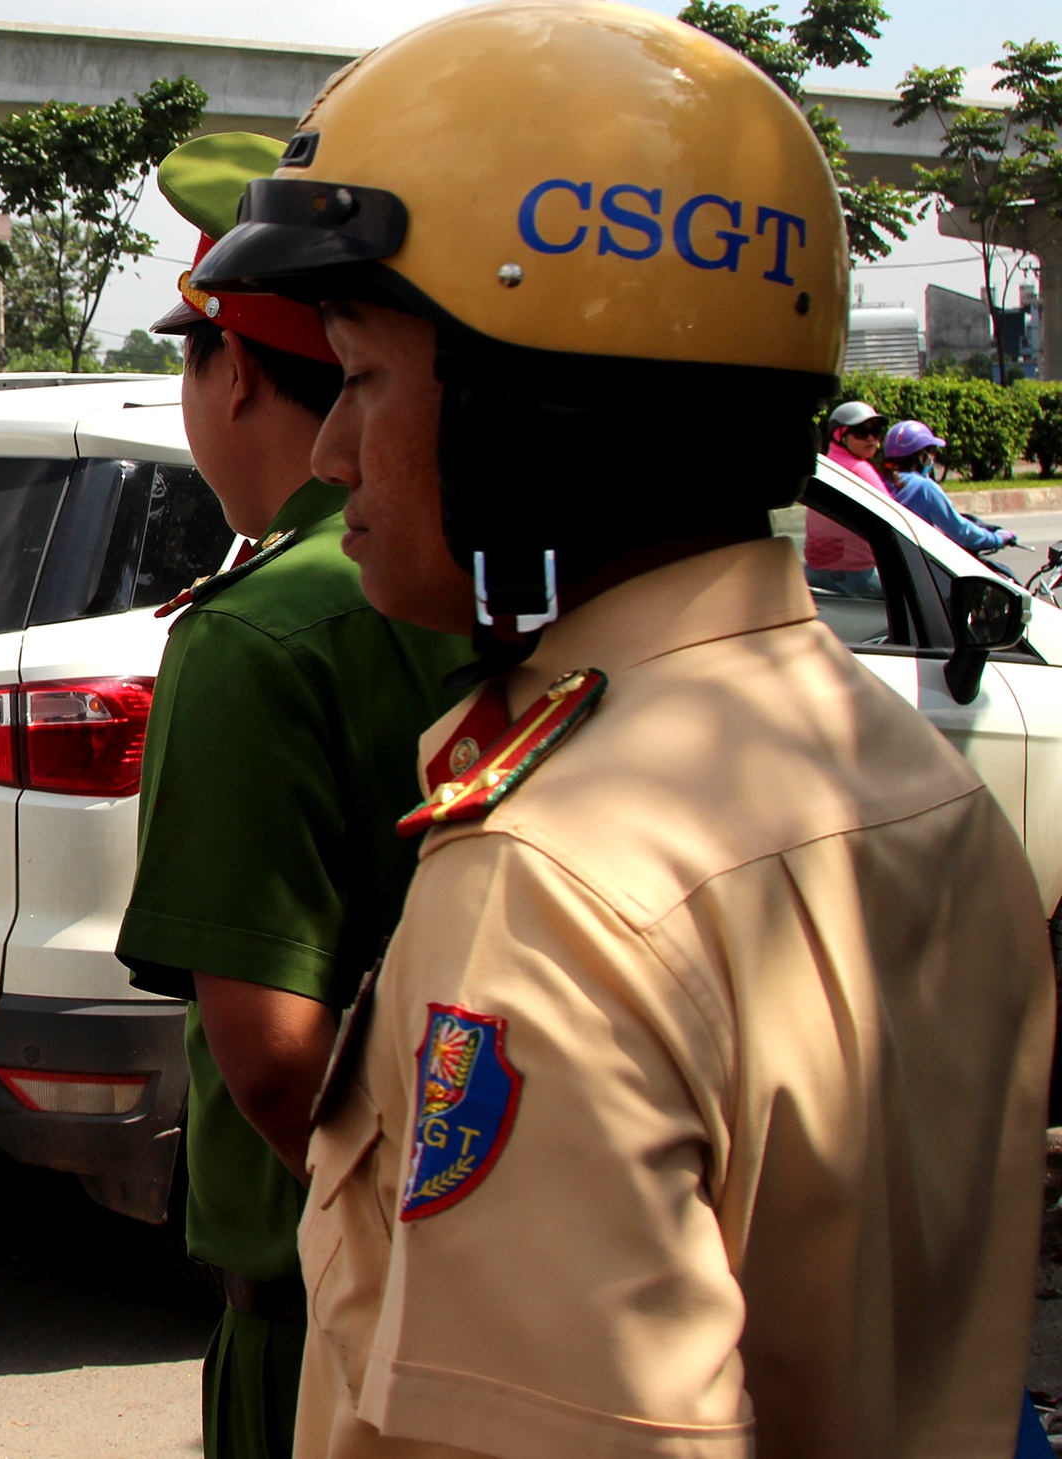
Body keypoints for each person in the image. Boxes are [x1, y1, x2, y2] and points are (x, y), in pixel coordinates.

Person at [191, 4, 1052, 1456]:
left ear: (532, 421)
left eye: (368, 378)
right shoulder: (910, 777)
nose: (333, 450)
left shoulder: (560, 878)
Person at [116, 132, 468, 1459]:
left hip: (327, 1307)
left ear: (238, 368)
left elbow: (272, 1060)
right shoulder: (466, 570)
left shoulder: (254, 632)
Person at [884, 418, 1019, 555]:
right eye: (931, 452)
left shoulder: (878, 481)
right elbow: (960, 531)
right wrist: (997, 539)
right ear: (920, 456)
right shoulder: (925, 488)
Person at [805, 400, 888, 596]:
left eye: (875, 432)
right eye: (861, 432)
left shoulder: (824, 466)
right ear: (839, 435)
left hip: (813, 574)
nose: (871, 439)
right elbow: (895, 520)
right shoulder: (859, 470)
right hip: (857, 577)